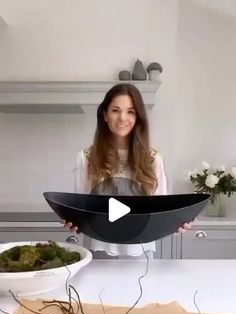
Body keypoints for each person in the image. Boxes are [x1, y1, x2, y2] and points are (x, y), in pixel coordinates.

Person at [65, 83, 192, 256]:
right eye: (115, 110)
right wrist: (74, 220)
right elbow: (81, 208)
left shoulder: (154, 159)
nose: (123, 117)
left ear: (138, 117)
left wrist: (177, 222)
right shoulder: (86, 158)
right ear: (105, 115)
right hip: (98, 249)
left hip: (140, 251)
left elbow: (162, 210)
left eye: (130, 111)